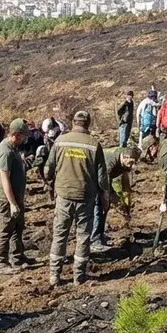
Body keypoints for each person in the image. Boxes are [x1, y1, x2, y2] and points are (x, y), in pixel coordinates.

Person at [45, 111, 108, 286]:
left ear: (73, 122)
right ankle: (78, 277)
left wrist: (51, 180)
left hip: (64, 196)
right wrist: (105, 197)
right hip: (85, 198)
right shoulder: (94, 145)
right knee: (83, 236)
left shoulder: (59, 141)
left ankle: (54, 276)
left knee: (60, 235)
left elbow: (48, 169)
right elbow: (102, 178)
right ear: (88, 124)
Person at [0, 119, 33, 274]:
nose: (25, 139)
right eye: (23, 136)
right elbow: (4, 178)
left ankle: (17, 257)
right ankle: (2, 263)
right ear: (16, 135)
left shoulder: (14, 148)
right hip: (7, 199)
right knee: (6, 229)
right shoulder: (5, 151)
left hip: (17, 197)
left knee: (18, 227)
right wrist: (12, 203)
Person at [90, 145, 139, 252]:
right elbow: (104, 183)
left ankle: (100, 234)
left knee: (105, 208)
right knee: (99, 207)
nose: (132, 165)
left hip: (102, 180)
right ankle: (94, 240)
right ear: (124, 157)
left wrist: (124, 204)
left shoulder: (124, 162)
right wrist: (109, 197)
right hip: (92, 179)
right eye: (131, 162)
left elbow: (126, 186)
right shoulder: (110, 161)